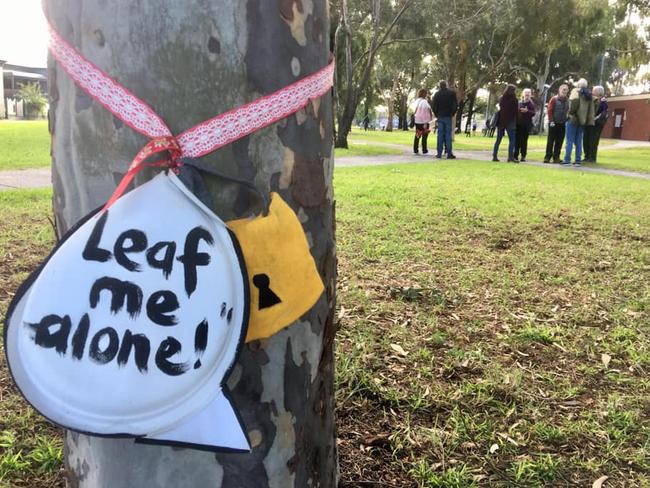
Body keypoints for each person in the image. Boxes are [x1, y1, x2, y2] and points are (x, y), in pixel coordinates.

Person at [563, 78, 594, 166]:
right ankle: (578, 160)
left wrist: (569, 113)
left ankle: (567, 160)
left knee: (569, 140)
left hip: (573, 119)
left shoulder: (575, 91)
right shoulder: (589, 95)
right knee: (578, 142)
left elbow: (573, 103)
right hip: (582, 120)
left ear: (578, 85)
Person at [432, 80, 458, 159]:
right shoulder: (451, 93)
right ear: (446, 85)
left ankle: (439, 153)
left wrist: (437, 114)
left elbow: (434, 106)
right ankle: (449, 153)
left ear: (440, 86)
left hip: (440, 116)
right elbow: (455, 105)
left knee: (440, 135)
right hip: (448, 116)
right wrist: (452, 113)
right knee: (448, 135)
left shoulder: (437, 94)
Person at [492, 84, 518, 162]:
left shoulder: (502, 98)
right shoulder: (514, 100)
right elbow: (515, 111)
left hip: (501, 121)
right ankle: (510, 157)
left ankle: (494, 155)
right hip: (510, 121)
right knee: (512, 140)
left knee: (498, 139)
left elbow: (500, 108)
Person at [543, 84, 569, 163]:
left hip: (562, 123)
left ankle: (556, 157)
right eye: (563, 89)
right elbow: (550, 110)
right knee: (550, 141)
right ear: (559, 90)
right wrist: (551, 121)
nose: (564, 91)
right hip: (553, 123)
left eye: (566, 90)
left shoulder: (567, 100)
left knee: (559, 141)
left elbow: (568, 110)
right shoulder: (554, 99)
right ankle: (547, 157)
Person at [584, 85, 608, 163]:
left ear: (598, 93)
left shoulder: (603, 103)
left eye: (594, 91)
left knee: (593, 141)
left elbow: (603, 114)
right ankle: (587, 156)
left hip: (596, 125)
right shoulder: (592, 100)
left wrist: (595, 119)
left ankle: (592, 157)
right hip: (588, 123)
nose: (592, 92)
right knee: (586, 140)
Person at [513, 88, 535, 162]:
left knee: (524, 141)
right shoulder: (519, 103)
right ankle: (515, 155)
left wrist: (527, 111)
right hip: (518, 125)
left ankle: (523, 156)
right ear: (523, 94)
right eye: (526, 93)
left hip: (526, 125)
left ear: (530, 95)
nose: (527, 94)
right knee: (517, 141)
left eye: (528, 93)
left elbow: (533, 113)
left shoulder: (531, 104)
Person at [411, 88, 433, 154]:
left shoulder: (416, 101)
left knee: (417, 135)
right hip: (424, 121)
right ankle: (424, 150)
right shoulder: (424, 102)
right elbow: (428, 110)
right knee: (425, 135)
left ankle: (415, 149)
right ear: (424, 94)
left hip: (417, 121)